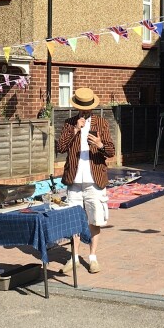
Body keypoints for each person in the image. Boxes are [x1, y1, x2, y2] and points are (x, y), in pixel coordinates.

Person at [56, 88, 115, 274]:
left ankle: (92, 258)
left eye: (87, 108)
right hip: (74, 179)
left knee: (94, 220)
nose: (84, 111)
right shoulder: (70, 123)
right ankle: (73, 257)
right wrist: (75, 130)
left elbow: (111, 151)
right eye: (81, 108)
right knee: (74, 220)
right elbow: (60, 147)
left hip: (94, 178)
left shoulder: (101, 123)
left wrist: (100, 145)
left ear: (92, 107)